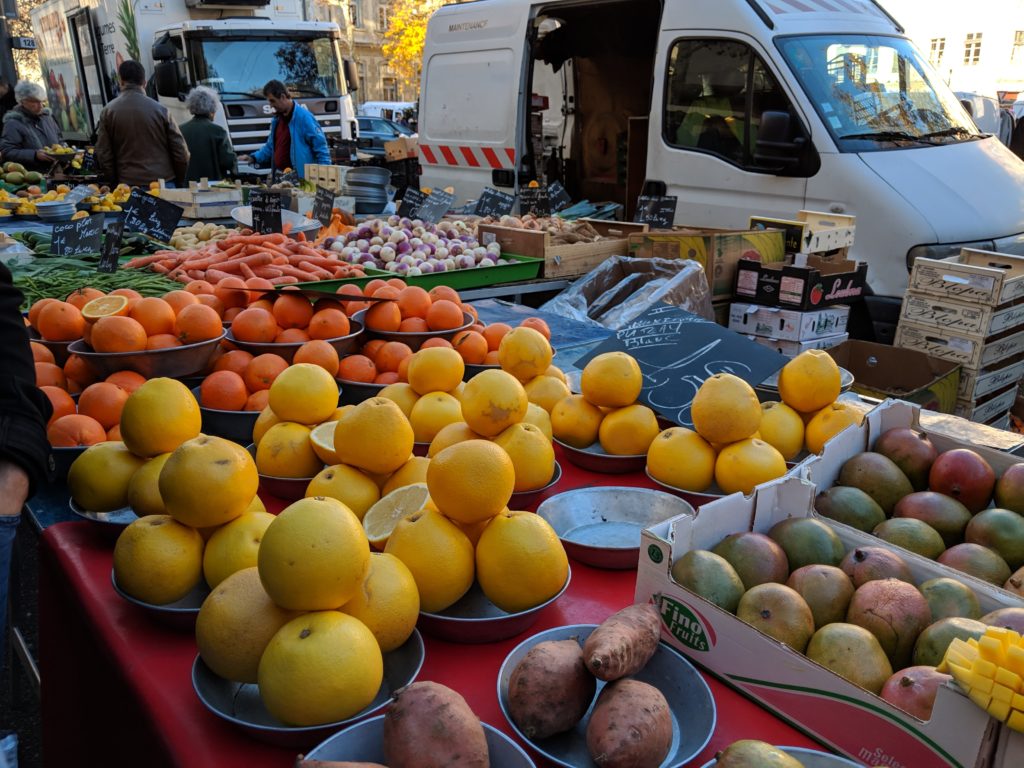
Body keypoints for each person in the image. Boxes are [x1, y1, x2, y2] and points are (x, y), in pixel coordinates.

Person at [94, 60, 190, 187]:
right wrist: (178, 180)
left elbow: (104, 154)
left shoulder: (108, 112)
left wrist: (113, 183)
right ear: (144, 82)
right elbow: (181, 153)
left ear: (120, 81)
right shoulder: (162, 110)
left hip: (128, 185)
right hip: (164, 183)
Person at [238, 80, 330, 178]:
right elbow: (270, 147)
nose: (271, 105)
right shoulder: (277, 120)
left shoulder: (304, 118)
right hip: (281, 178)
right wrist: (253, 158)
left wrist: (324, 177)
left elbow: (321, 149)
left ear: (282, 97)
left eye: (272, 101)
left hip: (301, 181)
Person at [0, 80, 64, 172]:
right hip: (31, 175)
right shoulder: (13, 123)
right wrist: (34, 155)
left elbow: (59, 139)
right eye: (35, 102)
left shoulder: (48, 118)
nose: (40, 105)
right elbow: (7, 151)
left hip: (55, 172)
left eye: (42, 101)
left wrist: (65, 151)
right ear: (22, 101)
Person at [179, 86, 237, 183]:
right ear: (212, 110)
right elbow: (228, 161)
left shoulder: (180, 130)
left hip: (187, 185)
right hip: (213, 185)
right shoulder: (218, 131)